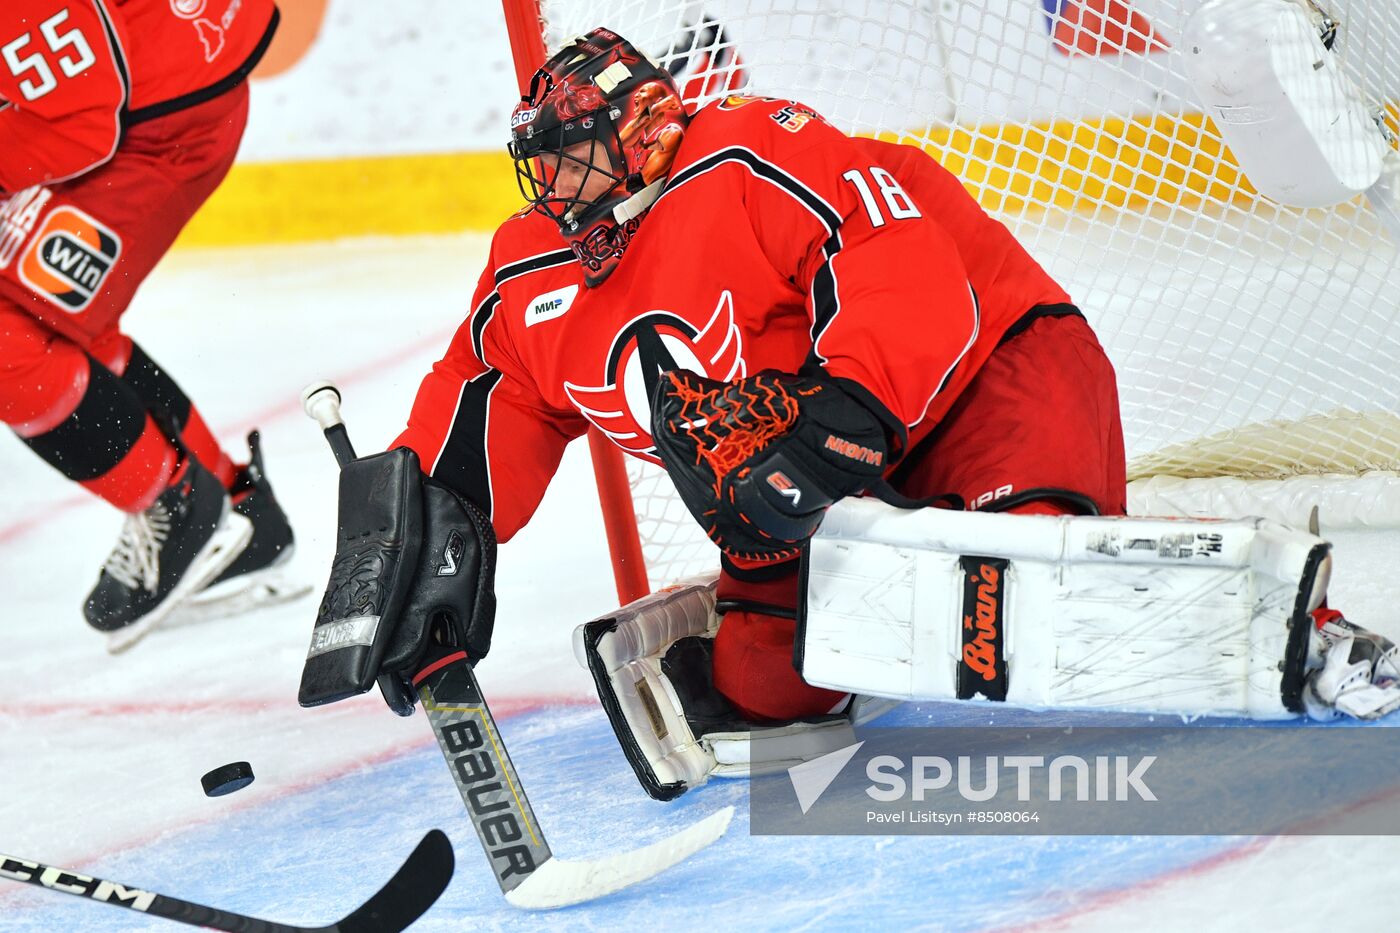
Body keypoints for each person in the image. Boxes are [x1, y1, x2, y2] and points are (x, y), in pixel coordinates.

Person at [303, 29, 1400, 795]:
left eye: (577, 158)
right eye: (540, 169)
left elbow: (899, 248)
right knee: (760, 691)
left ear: (642, 128)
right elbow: (482, 398)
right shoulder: (527, 269)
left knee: (1035, 602)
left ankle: (1305, 642)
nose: (559, 190)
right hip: (792, 481)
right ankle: (787, 619)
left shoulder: (747, 149)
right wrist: (416, 543)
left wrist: (849, 415)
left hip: (985, 376)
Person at [0, 0, 296, 652]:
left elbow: (81, 123)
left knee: (13, 337)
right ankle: (242, 513)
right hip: (164, 91)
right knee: (59, 319)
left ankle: (178, 505)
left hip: (163, 132)